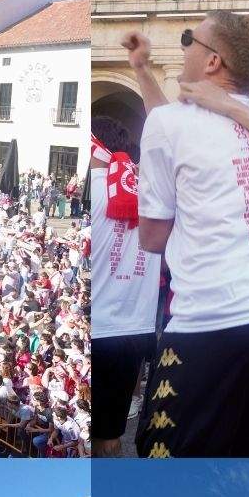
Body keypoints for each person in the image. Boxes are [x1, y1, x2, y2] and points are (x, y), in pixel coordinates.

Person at [126, 15, 249, 457]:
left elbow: (153, 238)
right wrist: (142, 70)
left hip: (210, 324)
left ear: (212, 61)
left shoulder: (176, 123)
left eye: (188, 40)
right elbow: (171, 129)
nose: (183, 48)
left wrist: (194, 215)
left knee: (169, 460)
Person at [89, 114, 160, 457]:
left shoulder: (93, 189)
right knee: (110, 435)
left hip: (100, 328)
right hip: (135, 328)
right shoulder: (151, 192)